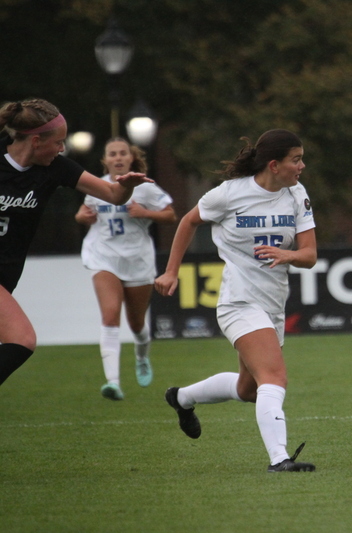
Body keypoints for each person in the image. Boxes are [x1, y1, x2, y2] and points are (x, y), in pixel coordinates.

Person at [155, 129, 317, 473]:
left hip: (272, 305)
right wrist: (171, 272)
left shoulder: (296, 194)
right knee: (275, 376)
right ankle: (280, 459)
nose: (302, 166)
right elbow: (188, 221)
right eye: (296, 159)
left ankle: (181, 398)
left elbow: (310, 255)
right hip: (238, 302)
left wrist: (286, 255)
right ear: (274, 165)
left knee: (249, 389)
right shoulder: (230, 194)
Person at [0, 98, 151, 387]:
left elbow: (113, 194)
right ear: (34, 141)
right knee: (22, 339)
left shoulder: (56, 168)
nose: (62, 148)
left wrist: (127, 186)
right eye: (58, 142)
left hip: (7, 276)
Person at [75, 137, 177, 401]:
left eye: (122, 153)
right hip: (103, 257)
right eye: (112, 154)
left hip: (137, 260)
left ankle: (142, 357)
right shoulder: (96, 185)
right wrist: (82, 217)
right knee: (110, 316)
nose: (118, 158)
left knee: (136, 323)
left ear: (131, 158)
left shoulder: (144, 187)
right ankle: (113, 382)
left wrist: (146, 213)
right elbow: (82, 213)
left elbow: (170, 215)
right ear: (105, 160)